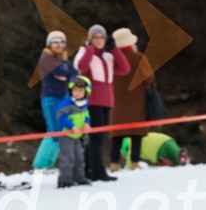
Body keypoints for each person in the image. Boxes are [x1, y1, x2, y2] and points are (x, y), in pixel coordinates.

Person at [74, 24, 130, 181]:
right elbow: (81, 66)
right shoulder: (84, 52)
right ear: (90, 39)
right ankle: (98, 171)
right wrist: (90, 48)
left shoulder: (108, 56)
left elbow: (124, 68)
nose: (99, 40)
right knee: (96, 138)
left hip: (107, 100)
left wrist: (114, 50)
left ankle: (86, 169)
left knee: (98, 137)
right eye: (95, 37)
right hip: (93, 100)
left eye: (102, 37)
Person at [109, 27, 154, 171]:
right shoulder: (138, 57)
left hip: (115, 101)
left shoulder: (111, 60)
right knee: (136, 133)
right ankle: (134, 162)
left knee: (117, 133)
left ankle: (114, 163)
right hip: (136, 101)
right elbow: (149, 78)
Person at [33, 30, 78, 170]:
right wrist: (65, 75)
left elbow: (73, 74)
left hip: (63, 97)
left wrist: (67, 77)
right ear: (49, 44)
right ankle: (40, 164)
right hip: (50, 98)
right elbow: (61, 72)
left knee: (63, 130)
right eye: (55, 42)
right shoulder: (46, 57)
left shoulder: (64, 60)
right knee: (53, 131)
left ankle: (49, 163)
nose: (58, 45)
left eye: (61, 42)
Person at [56, 76, 92, 188]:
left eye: (80, 91)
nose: (77, 93)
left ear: (86, 92)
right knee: (69, 158)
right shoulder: (67, 102)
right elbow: (60, 115)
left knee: (79, 157)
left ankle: (79, 178)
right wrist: (71, 126)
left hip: (77, 136)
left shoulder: (84, 104)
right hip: (67, 135)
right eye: (75, 90)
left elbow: (87, 115)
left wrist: (87, 123)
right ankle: (64, 180)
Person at [120, 132, 189, 166]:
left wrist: (128, 167)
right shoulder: (138, 136)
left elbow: (131, 158)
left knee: (173, 164)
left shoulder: (129, 144)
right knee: (176, 155)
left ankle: (166, 162)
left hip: (157, 150)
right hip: (167, 140)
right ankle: (182, 155)